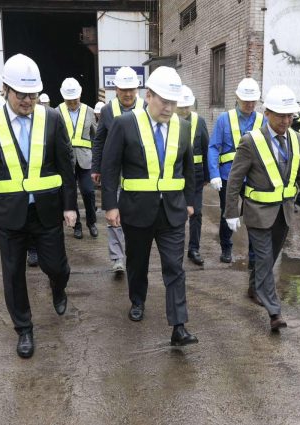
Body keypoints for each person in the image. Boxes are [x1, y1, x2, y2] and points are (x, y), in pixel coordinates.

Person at [0, 53, 77, 358]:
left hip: (46, 210)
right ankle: (24, 329)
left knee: (56, 266)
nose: (28, 101)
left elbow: (65, 166)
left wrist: (70, 206)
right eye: (21, 95)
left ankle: (58, 286)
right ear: (5, 89)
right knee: (13, 273)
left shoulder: (52, 118)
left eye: (33, 94)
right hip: (8, 214)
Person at [101, 66, 198, 346]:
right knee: (137, 262)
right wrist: (110, 205)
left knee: (174, 267)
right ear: (149, 96)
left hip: (172, 212)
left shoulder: (183, 127)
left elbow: (188, 168)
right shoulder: (125, 124)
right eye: (164, 101)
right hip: (136, 210)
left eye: (173, 102)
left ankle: (179, 326)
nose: (169, 108)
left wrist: (190, 201)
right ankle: (137, 300)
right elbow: (110, 167)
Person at [224, 85, 300, 331]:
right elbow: (235, 179)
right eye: (281, 116)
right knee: (265, 257)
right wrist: (231, 211)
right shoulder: (251, 142)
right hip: (257, 212)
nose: (286, 121)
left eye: (290, 116)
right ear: (267, 113)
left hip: (284, 213)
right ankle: (274, 312)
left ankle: (253, 287)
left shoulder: (298, 140)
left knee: (269, 257)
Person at [92, 66, 144, 273]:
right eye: (124, 90)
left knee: (135, 215)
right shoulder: (107, 111)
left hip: (138, 171)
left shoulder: (146, 107)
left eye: (131, 89)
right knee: (113, 211)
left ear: (137, 89)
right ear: (116, 89)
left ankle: (133, 253)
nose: (128, 94)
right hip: (113, 170)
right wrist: (96, 167)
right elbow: (99, 140)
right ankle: (117, 258)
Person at [208, 78, 265, 265]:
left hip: (254, 178)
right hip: (228, 176)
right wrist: (214, 173)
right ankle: (226, 248)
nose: (250, 104)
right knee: (228, 212)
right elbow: (213, 147)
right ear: (237, 98)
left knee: (254, 215)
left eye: (253, 101)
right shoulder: (224, 119)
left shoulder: (262, 120)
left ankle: (254, 255)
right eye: (246, 100)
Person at [57, 77, 98, 239]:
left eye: (75, 100)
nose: (73, 103)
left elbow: (96, 137)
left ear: (80, 95)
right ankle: (77, 226)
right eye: (69, 100)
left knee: (88, 192)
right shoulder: (57, 112)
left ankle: (92, 222)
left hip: (86, 160)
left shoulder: (89, 111)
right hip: (66, 162)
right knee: (70, 194)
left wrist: (97, 160)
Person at [176, 85, 209, 265]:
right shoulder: (169, 121)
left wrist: (207, 176)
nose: (184, 110)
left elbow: (206, 148)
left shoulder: (199, 121)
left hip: (195, 176)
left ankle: (194, 249)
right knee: (177, 213)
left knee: (196, 213)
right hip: (175, 175)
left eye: (187, 107)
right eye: (181, 107)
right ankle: (176, 248)